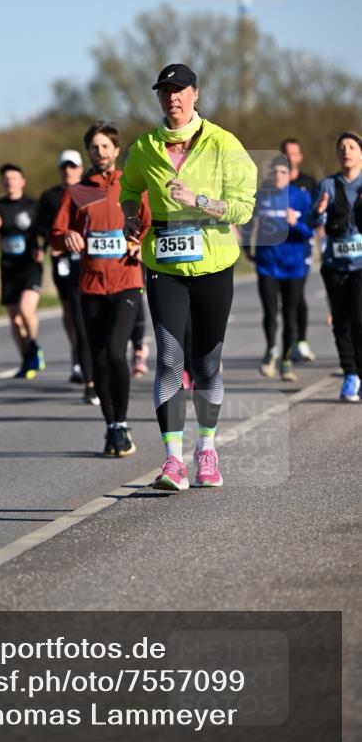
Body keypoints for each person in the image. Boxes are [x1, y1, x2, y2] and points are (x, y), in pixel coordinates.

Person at [120, 63, 257, 490]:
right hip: (163, 266)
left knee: (207, 365)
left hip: (214, 263)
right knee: (169, 360)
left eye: (180, 91)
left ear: (195, 94)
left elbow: (242, 208)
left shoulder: (224, 143)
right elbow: (129, 189)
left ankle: (207, 449)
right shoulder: (145, 146)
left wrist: (199, 201)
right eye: (165, 92)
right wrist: (128, 216)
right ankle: (172, 461)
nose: (172, 98)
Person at [51, 121, 151, 457]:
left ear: (116, 150)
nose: (100, 152)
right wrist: (67, 237)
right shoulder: (79, 191)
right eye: (94, 147)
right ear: (88, 153)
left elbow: (152, 224)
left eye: (105, 146)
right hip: (91, 284)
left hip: (126, 282)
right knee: (97, 360)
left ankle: (121, 422)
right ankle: (111, 427)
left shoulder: (131, 184)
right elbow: (56, 232)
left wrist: (142, 244)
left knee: (114, 352)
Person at [242, 154, 313, 382]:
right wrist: (247, 247)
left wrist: (296, 223)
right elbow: (248, 222)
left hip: (293, 265)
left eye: (284, 172)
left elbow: (311, 231)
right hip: (267, 264)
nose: (279, 176)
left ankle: (286, 360)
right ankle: (270, 350)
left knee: (289, 314)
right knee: (270, 312)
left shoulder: (301, 197)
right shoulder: (261, 197)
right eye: (275, 172)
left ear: (290, 174)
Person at [36, 150, 98, 404]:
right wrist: (55, 242)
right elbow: (42, 227)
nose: (68, 171)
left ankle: (92, 362)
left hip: (91, 265)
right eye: (64, 167)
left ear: (81, 168)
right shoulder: (51, 196)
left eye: (73, 166)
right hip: (64, 265)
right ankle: (85, 370)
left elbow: (100, 224)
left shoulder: (89, 192)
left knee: (91, 318)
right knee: (72, 314)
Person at [307, 131, 362, 402]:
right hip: (335, 263)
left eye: (351, 146)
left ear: (360, 152)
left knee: (359, 319)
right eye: (341, 147)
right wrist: (318, 211)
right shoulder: (327, 185)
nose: (346, 151)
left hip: (361, 264)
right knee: (340, 321)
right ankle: (350, 373)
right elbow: (310, 221)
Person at [0, 164, 46, 379]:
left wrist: (41, 248)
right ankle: (26, 357)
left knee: (26, 310)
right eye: (6, 178)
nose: (10, 182)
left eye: (14, 178)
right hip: (8, 267)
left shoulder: (33, 205)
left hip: (30, 266)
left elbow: (44, 230)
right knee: (15, 319)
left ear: (22, 181)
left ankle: (34, 346)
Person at [280, 137, 318, 362]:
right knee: (283, 298)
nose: (289, 157)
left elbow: (316, 214)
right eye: (285, 153)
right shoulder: (272, 182)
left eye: (293, 153)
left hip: (302, 244)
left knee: (296, 295)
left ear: (300, 157)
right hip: (279, 248)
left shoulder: (309, 182)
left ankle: (300, 341)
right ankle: (289, 340)